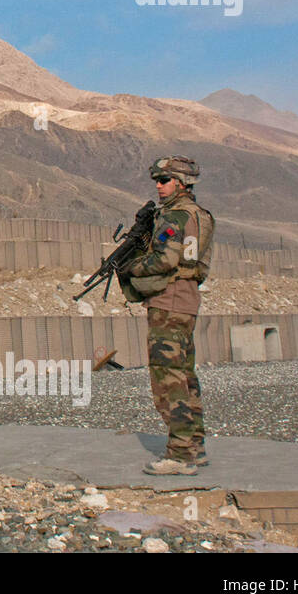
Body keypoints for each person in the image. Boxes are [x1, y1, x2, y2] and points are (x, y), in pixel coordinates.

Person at [119, 156, 215, 475]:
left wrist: (132, 267)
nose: (158, 186)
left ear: (181, 182)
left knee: (167, 378)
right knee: (185, 375)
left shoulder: (176, 214)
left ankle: (180, 454)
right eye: (157, 181)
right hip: (186, 297)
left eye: (164, 180)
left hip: (170, 299)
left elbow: (165, 259)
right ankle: (194, 446)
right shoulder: (199, 215)